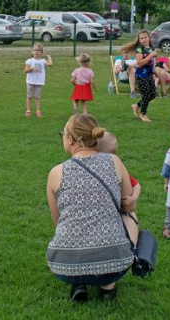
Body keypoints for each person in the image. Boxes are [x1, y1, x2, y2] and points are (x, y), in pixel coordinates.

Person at [47, 114, 135, 302]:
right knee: (129, 215)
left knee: (68, 225)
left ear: (70, 140)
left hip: (64, 265)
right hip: (116, 264)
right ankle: (108, 287)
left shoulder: (56, 173)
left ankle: (78, 282)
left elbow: (58, 221)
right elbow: (129, 204)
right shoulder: (114, 162)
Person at [97, 132, 141, 242]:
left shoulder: (118, 170)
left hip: (119, 211)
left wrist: (133, 198)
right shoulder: (115, 168)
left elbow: (136, 185)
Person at [121, 30, 159, 123]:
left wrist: (155, 71)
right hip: (141, 75)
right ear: (139, 40)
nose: (144, 39)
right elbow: (140, 63)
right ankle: (143, 114)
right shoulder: (139, 49)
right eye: (141, 38)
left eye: (145, 37)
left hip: (149, 75)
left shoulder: (152, 48)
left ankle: (137, 105)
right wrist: (151, 55)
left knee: (153, 94)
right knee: (146, 95)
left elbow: (153, 62)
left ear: (149, 38)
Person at [24, 43, 52, 118]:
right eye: (35, 50)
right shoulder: (29, 61)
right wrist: (31, 68)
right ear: (32, 52)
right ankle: (28, 110)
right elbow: (25, 70)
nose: (37, 52)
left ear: (42, 53)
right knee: (29, 96)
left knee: (37, 97)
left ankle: (38, 111)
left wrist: (49, 57)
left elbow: (50, 64)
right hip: (30, 82)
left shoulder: (42, 61)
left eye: (39, 51)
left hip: (39, 82)